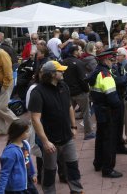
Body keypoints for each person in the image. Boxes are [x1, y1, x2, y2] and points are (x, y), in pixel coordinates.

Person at [28, 61, 83, 193]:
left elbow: (70, 107)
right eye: (60, 71)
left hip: (67, 136)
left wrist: (74, 127)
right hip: (50, 140)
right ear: (52, 74)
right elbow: (35, 119)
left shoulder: (63, 86)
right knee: (49, 170)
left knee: (73, 166)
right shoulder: (37, 92)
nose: (63, 72)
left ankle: (76, 190)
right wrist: (45, 141)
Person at [89, 49, 126, 178]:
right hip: (108, 111)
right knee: (109, 141)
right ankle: (108, 169)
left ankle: (98, 163)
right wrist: (118, 105)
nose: (113, 62)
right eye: (111, 60)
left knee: (100, 138)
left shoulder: (96, 72)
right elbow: (112, 97)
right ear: (105, 60)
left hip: (100, 110)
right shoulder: (105, 75)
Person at [0, 119, 38, 194]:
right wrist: (0, 191)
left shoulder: (25, 144)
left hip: (27, 182)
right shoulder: (10, 152)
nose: (29, 133)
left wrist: (32, 174)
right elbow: (4, 173)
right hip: (16, 188)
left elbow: (27, 160)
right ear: (19, 133)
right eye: (27, 131)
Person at [63, 45, 94, 140]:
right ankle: (88, 133)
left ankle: (67, 132)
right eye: (80, 50)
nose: (81, 52)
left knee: (67, 113)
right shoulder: (79, 63)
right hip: (80, 92)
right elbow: (82, 79)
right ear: (75, 52)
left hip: (68, 92)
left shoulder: (64, 62)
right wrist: (86, 90)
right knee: (86, 113)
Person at [0, 39, 18, 138]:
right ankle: (2, 129)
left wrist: (4, 87)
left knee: (0, 108)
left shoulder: (2, 54)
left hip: (2, 86)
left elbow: (8, 73)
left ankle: (19, 125)